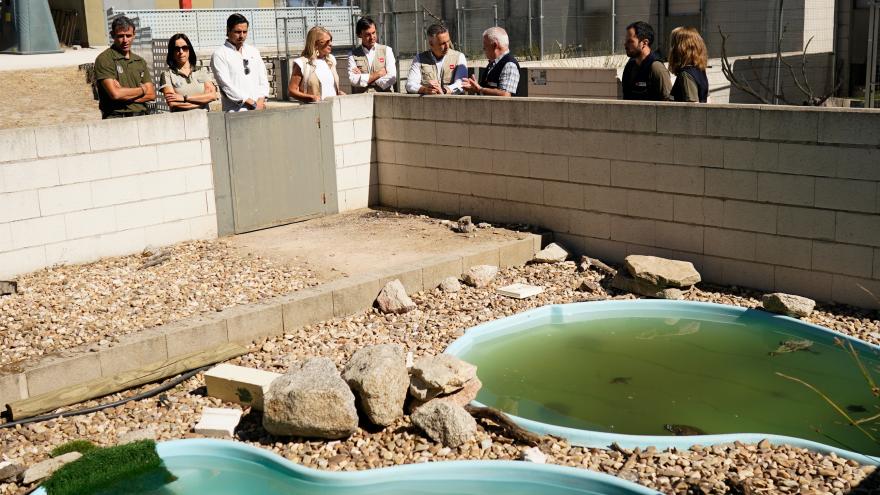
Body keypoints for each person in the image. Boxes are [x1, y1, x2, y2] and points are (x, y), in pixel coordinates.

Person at [93, 16, 156, 119]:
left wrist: (124, 93)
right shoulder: (105, 59)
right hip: (116, 118)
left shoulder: (139, 61)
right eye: (121, 36)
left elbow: (151, 94)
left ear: (134, 35)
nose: (125, 40)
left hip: (142, 116)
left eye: (128, 35)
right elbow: (115, 94)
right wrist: (142, 90)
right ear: (113, 35)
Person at [211, 13, 270, 112]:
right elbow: (226, 85)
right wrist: (252, 103)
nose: (242, 36)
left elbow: (263, 79)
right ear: (228, 31)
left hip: (259, 109)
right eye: (238, 32)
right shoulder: (220, 54)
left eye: (245, 32)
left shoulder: (253, 51)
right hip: (235, 111)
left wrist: (260, 100)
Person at [159, 33, 218, 112]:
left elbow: (212, 96)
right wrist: (203, 101)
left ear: (189, 49)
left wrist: (185, 98)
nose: (181, 51)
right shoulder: (167, 75)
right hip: (182, 121)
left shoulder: (201, 70)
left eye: (184, 47)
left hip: (205, 119)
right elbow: (172, 103)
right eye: (177, 49)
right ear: (172, 52)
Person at [405, 24, 467, 95]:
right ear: (431, 43)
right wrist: (425, 90)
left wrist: (444, 91)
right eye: (442, 43)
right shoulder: (419, 59)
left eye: (448, 41)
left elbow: (461, 83)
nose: (447, 46)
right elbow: (410, 84)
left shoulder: (459, 57)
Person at [289, 26, 346, 103]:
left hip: (333, 109)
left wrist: (339, 93)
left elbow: (329, 88)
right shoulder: (302, 63)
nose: (330, 44)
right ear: (315, 44)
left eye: (331, 41)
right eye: (327, 41)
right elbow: (292, 91)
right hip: (313, 112)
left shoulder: (331, 60)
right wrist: (310, 98)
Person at [462, 26, 520, 97]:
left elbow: (505, 95)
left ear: (495, 45)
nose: (484, 50)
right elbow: (486, 88)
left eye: (485, 47)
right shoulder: (493, 63)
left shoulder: (509, 65)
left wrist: (480, 89)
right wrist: (475, 88)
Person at [621, 21, 672, 101]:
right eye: (626, 41)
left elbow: (668, 103)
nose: (625, 45)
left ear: (644, 43)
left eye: (630, 41)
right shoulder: (630, 67)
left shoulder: (656, 68)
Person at [348, 17, 396, 93]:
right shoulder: (352, 55)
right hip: (361, 100)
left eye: (373, 33)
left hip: (384, 98)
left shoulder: (387, 50)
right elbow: (353, 79)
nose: (372, 37)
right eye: (367, 34)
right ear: (359, 35)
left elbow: (392, 78)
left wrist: (364, 78)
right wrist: (378, 74)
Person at [667, 26, 709, 103]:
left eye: (673, 44)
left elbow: (693, 109)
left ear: (680, 49)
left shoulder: (686, 74)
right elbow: (708, 101)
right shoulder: (700, 71)